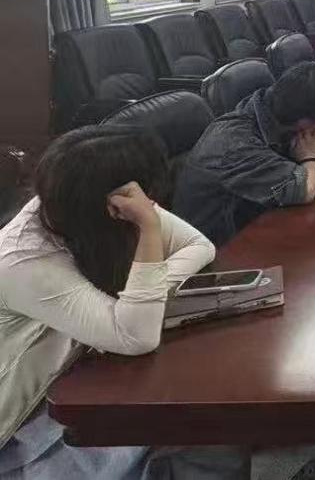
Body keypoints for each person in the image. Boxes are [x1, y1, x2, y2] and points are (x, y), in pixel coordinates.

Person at [0, 126, 247, 478]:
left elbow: (198, 246)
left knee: (209, 404)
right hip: (29, 421)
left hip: (82, 368)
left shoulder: (85, 204)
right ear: (114, 203)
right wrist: (149, 231)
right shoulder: (23, 261)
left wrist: (142, 289)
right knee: (197, 425)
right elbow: (135, 336)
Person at [173, 62, 315, 246]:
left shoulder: (287, 105)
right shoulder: (236, 143)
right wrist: (311, 156)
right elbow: (303, 189)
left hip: (264, 223)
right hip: (219, 250)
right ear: (306, 122)